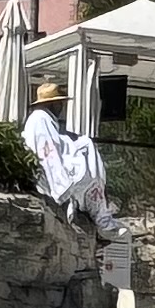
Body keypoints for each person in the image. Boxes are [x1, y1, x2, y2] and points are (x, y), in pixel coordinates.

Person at [19, 72, 119, 237]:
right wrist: (62, 189)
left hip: (43, 169)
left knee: (85, 144)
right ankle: (98, 212)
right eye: (60, 104)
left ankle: (96, 208)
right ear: (53, 104)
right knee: (86, 147)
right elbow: (49, 153)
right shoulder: (41, 119)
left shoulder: (42, 120)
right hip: (45, 175)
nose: (62, 108)